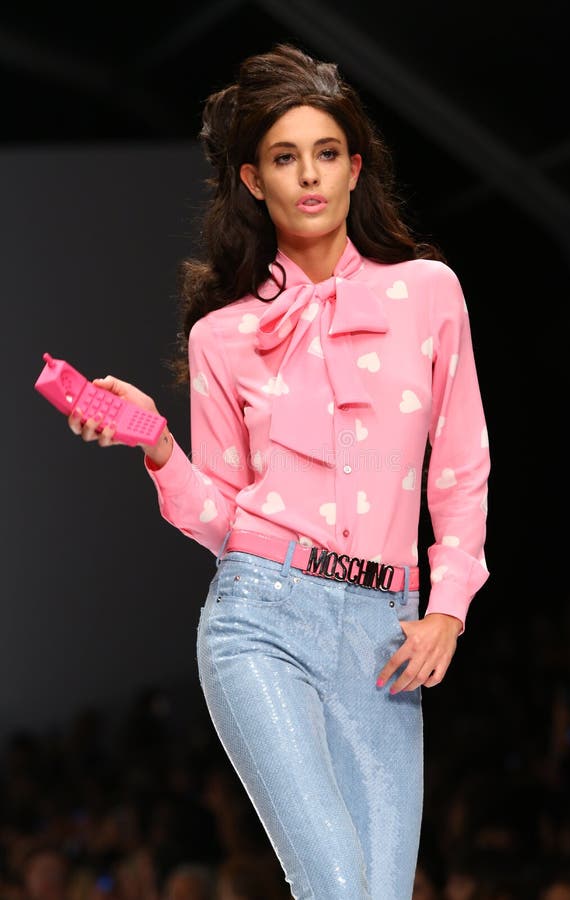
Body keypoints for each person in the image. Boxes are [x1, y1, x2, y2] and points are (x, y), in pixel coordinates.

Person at [67, 43, 490, 900]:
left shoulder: (429, 294)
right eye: (285, 158)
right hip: (262, 618)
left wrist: (448, 608)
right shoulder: (225, 333)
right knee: (335, 884)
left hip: (387, 634)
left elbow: (463, 462)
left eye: (327, 154)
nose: (310, 178)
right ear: (253, 180)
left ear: (356, 167)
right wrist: (155, 444)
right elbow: (223, 520)